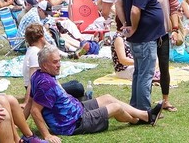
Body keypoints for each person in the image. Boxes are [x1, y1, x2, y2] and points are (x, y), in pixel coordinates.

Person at [30, 46, 163, 140]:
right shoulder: (46, 84)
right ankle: (139, 119)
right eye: (55, 62)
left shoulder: (38, 74)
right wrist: (47, 135)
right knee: (116, 108)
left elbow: (30, 100)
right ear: (45, 65)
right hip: (73, 124)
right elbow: (35, 110)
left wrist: (20, 124)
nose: (59, 64)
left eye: (59, 60)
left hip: (77, 110)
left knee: (108, 98)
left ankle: (145, 116)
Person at [115, 0, 166, 111]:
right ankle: (144, 110)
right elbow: (136, 11)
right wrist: (133, 26)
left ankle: (135, 106)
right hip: (144, 37)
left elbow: (118, 4)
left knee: (139, 73)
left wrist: (125, 24)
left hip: (138, 38)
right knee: (145, 74)